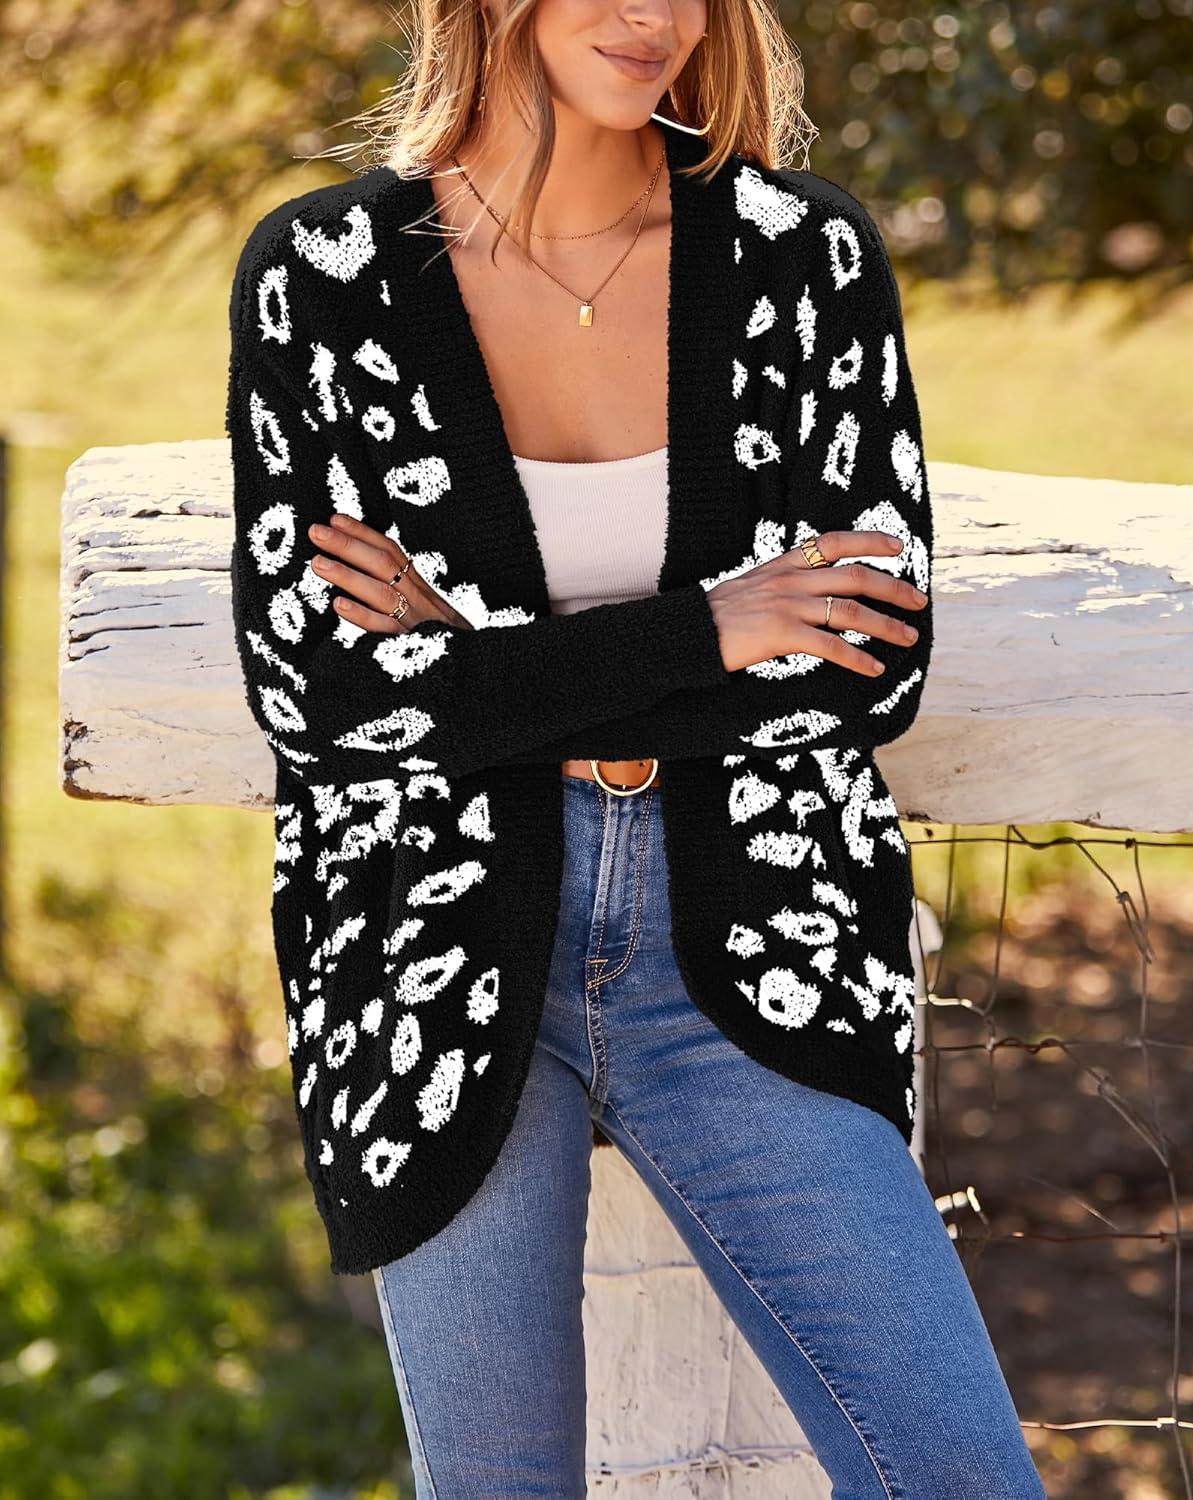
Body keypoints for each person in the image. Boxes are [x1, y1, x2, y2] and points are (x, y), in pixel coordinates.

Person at [225, 1, 1046, 1495]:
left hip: (760, 934)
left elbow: (868, 667)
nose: (653, 15)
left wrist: (477, 668)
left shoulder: (803, 257)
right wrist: (710, 628)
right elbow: (321, 697)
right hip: (436, 957)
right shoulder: (326, 279)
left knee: (959, 1475)